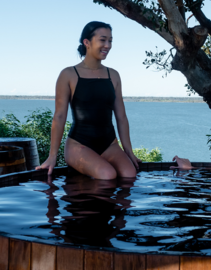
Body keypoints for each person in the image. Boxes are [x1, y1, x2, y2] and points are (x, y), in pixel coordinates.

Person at [36, 21, 140, 180]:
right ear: (87, 42)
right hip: (79, 144)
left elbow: (121, 117)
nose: (108, 45)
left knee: (130, 174)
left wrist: (129, 151)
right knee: (107, 175)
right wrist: (52, 156)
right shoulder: (69, 74)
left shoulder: (113, 75)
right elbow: (59, 116)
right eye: (103, 40)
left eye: (110, 41)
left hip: (109, 144)